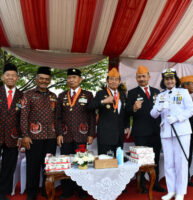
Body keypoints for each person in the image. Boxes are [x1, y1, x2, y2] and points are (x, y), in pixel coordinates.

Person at [150, 68, 193, 200]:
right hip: (166, 132)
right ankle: (171, 191)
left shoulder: (183, 92)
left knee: (180, 162)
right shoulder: (160, 95)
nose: (169, 81)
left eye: (171, 78)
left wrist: (178, 117)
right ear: (164, 81)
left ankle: (180, 192)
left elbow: (191, 109)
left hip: (181, 131)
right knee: (169, 162)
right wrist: (159, 108)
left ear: (175, 80)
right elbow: (152, 114)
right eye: (167, 79)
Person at [56, 68, 95, 199]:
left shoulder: (88, 95)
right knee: (67, 163)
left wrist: (91, 134)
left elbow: (91, 116)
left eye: (74, 77)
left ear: (80, 79)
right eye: (69, 77)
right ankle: (67, 191)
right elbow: (58, 117)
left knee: (81, 163)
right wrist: (59, 134)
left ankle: (82, 190)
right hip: (66, 135)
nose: (71, 80)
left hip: (82, 134)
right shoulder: (61, 95)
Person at [126, 65, 165, 193]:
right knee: (142, 160)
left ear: (149, 76)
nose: (141, 79)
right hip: (141, 133)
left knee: (155, 159)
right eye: (139, 77)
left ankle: (155, 183)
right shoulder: (132, 93)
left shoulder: (156, 92)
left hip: (155, 132)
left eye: (143, 76)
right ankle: (141, 184)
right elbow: (126, 112)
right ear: (136, 78)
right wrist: (134, 108)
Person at [21, 67, 57, 200]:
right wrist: (25, 135)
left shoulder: (53, 96)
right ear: (36, 79)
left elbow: (57, 117)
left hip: (51, 137)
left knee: (48, 166)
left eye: (47, 79)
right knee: (33, 166)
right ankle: (31, 193)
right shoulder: (28, 94)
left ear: (49, 81)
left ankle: (46, 191)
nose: (44, 81)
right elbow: (23, 116)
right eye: (41, 78)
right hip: (33, 137)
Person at [88, 68, 129, 155]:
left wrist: (127, 126)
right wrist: (104, 101)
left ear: (119, 81)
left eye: (116, 79)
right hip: (105, 135)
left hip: (119, 136)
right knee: (105, 163)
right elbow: (90, 107)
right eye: (111, 79)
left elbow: (124, 113)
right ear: (107, 81)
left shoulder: (122, 95)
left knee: (118, 163)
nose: (114, 81)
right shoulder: (101, 93)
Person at [0, 64, 23, 200]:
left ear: (17, 78)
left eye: (13, 75)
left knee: (9, 166)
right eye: (8, 75)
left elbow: (22, 117)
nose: (10, 78)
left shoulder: (21, 96)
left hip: (13, 136)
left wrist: (21, 136)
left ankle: (2, 192)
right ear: (3, 77)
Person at [180, 75, 193, 187]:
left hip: (190, 132)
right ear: (185, 85)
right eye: (192, 84)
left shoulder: (189, 97)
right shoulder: (179, 97)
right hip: (182, 133)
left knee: (189, 156)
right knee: (182, 157)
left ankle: (187, 178)